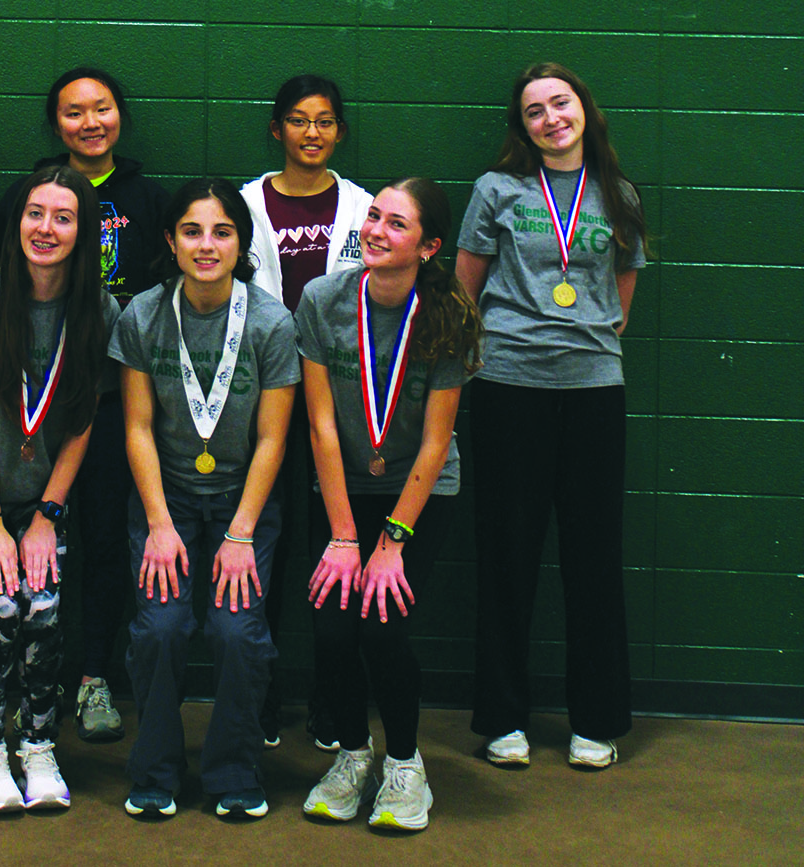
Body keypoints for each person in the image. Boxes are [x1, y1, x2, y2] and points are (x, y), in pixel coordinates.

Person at [455, 62, 649, 770]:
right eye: (534, 111)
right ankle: (503, 718)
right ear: (523, 126)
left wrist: (584, 341)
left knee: (593, 556)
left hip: (594, 389)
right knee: (508, 553)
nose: (550, 119)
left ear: (583, 109)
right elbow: (464, 288)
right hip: (510, 386)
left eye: (560, 103)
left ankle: (595, 720)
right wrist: (511, 348)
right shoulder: (496, 190)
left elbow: (621, 297)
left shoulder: (618, 194)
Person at [0, 67, 170, 742]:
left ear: (121, 115)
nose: (90, 122)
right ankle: (33, 678)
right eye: (73, 112)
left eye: (102, 109)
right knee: (32, 543)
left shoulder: (148, 200)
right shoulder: (25, 196)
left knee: (102, 542)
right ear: (54, 123)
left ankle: (92, 678)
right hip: (31, 407)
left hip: (112, 403)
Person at [0, 165, 120, 814]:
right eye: (36, 213)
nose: (47, 228)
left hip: (40, 498)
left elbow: (83, 421)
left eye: (63, 217)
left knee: (44, 609)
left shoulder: (100, 310)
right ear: (17, 222)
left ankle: (38, 743)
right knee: (5, 606)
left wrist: (46, 516)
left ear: (82, 232)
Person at [296, 178, 482, 831]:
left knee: (381, 624)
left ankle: (404, 766)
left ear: (428, 246)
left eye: (395, 223)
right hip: (342, 491)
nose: (375, 229)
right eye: (373, 215)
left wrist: (391, 541)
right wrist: (346, 536)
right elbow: (320, 426)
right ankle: (352, 755)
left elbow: (436, 441)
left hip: (418, 495)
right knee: (331, 628)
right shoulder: (321, 299)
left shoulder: (449, 314)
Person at [110, 179, 298, 819]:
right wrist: (160, 525)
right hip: (167, 503)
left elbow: (273, 436)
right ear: (170, 240)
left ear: (241, 242)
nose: (207, 245)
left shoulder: (271, 321)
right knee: (160, 631)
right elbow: (136, 427)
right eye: (192, 231)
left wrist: (242, 533)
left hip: (242, 505)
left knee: (237, 633)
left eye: (222, 231)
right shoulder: (142, 314)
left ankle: (234, 771)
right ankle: (155, 769)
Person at [239, 74, 373, 751]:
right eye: (297, 120)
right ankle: (260, 693)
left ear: (339, 132)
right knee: (267, 547)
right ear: (276, 130)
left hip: (337, 404)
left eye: (324, 121)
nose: (311, 132)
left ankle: (331, 697)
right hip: (262, 398)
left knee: (331, 550)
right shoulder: (243, 206)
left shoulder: (364, 207)